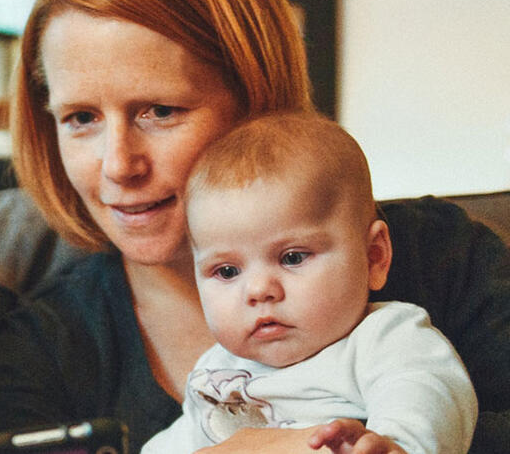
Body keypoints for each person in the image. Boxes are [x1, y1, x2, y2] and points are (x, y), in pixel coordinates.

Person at [0, 0, 510, 452]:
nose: (119, 164)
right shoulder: (42, 350)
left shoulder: (430, 254)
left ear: (255, 95)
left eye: (160, 110)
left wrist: (376, 436)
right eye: (82, 118)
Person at [141, 112, 476, 454]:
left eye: (292, 258)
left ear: (374, 257)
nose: (258, 290)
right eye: (227, 271)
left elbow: (426, 395)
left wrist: (397, 445)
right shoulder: (216, 370)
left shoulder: (384, 340)